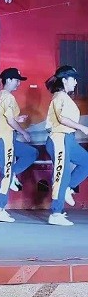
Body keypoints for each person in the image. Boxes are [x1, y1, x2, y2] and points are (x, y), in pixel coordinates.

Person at [0, 67, 39, 223]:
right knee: (6, 175)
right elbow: (10, 120)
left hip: (6, 137)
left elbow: (4, 117)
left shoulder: (0, 96)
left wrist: (16, 119)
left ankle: (13, 173)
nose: (18, 83)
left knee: (31, 153)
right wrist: (23, 132)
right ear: (8, 80)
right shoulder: (7, 97)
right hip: (4, 139)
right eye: (16, 80)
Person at [44, 65, 88, 226]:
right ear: (64, 80)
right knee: (61, 175)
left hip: (68, 139)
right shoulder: (59, 97)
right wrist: (82, 127)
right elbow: (62, 119)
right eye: (73, 79)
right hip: (59, 139)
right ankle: (56, 213)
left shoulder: (65, 97)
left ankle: (68, 188)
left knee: (85, 161)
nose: (75, 82)